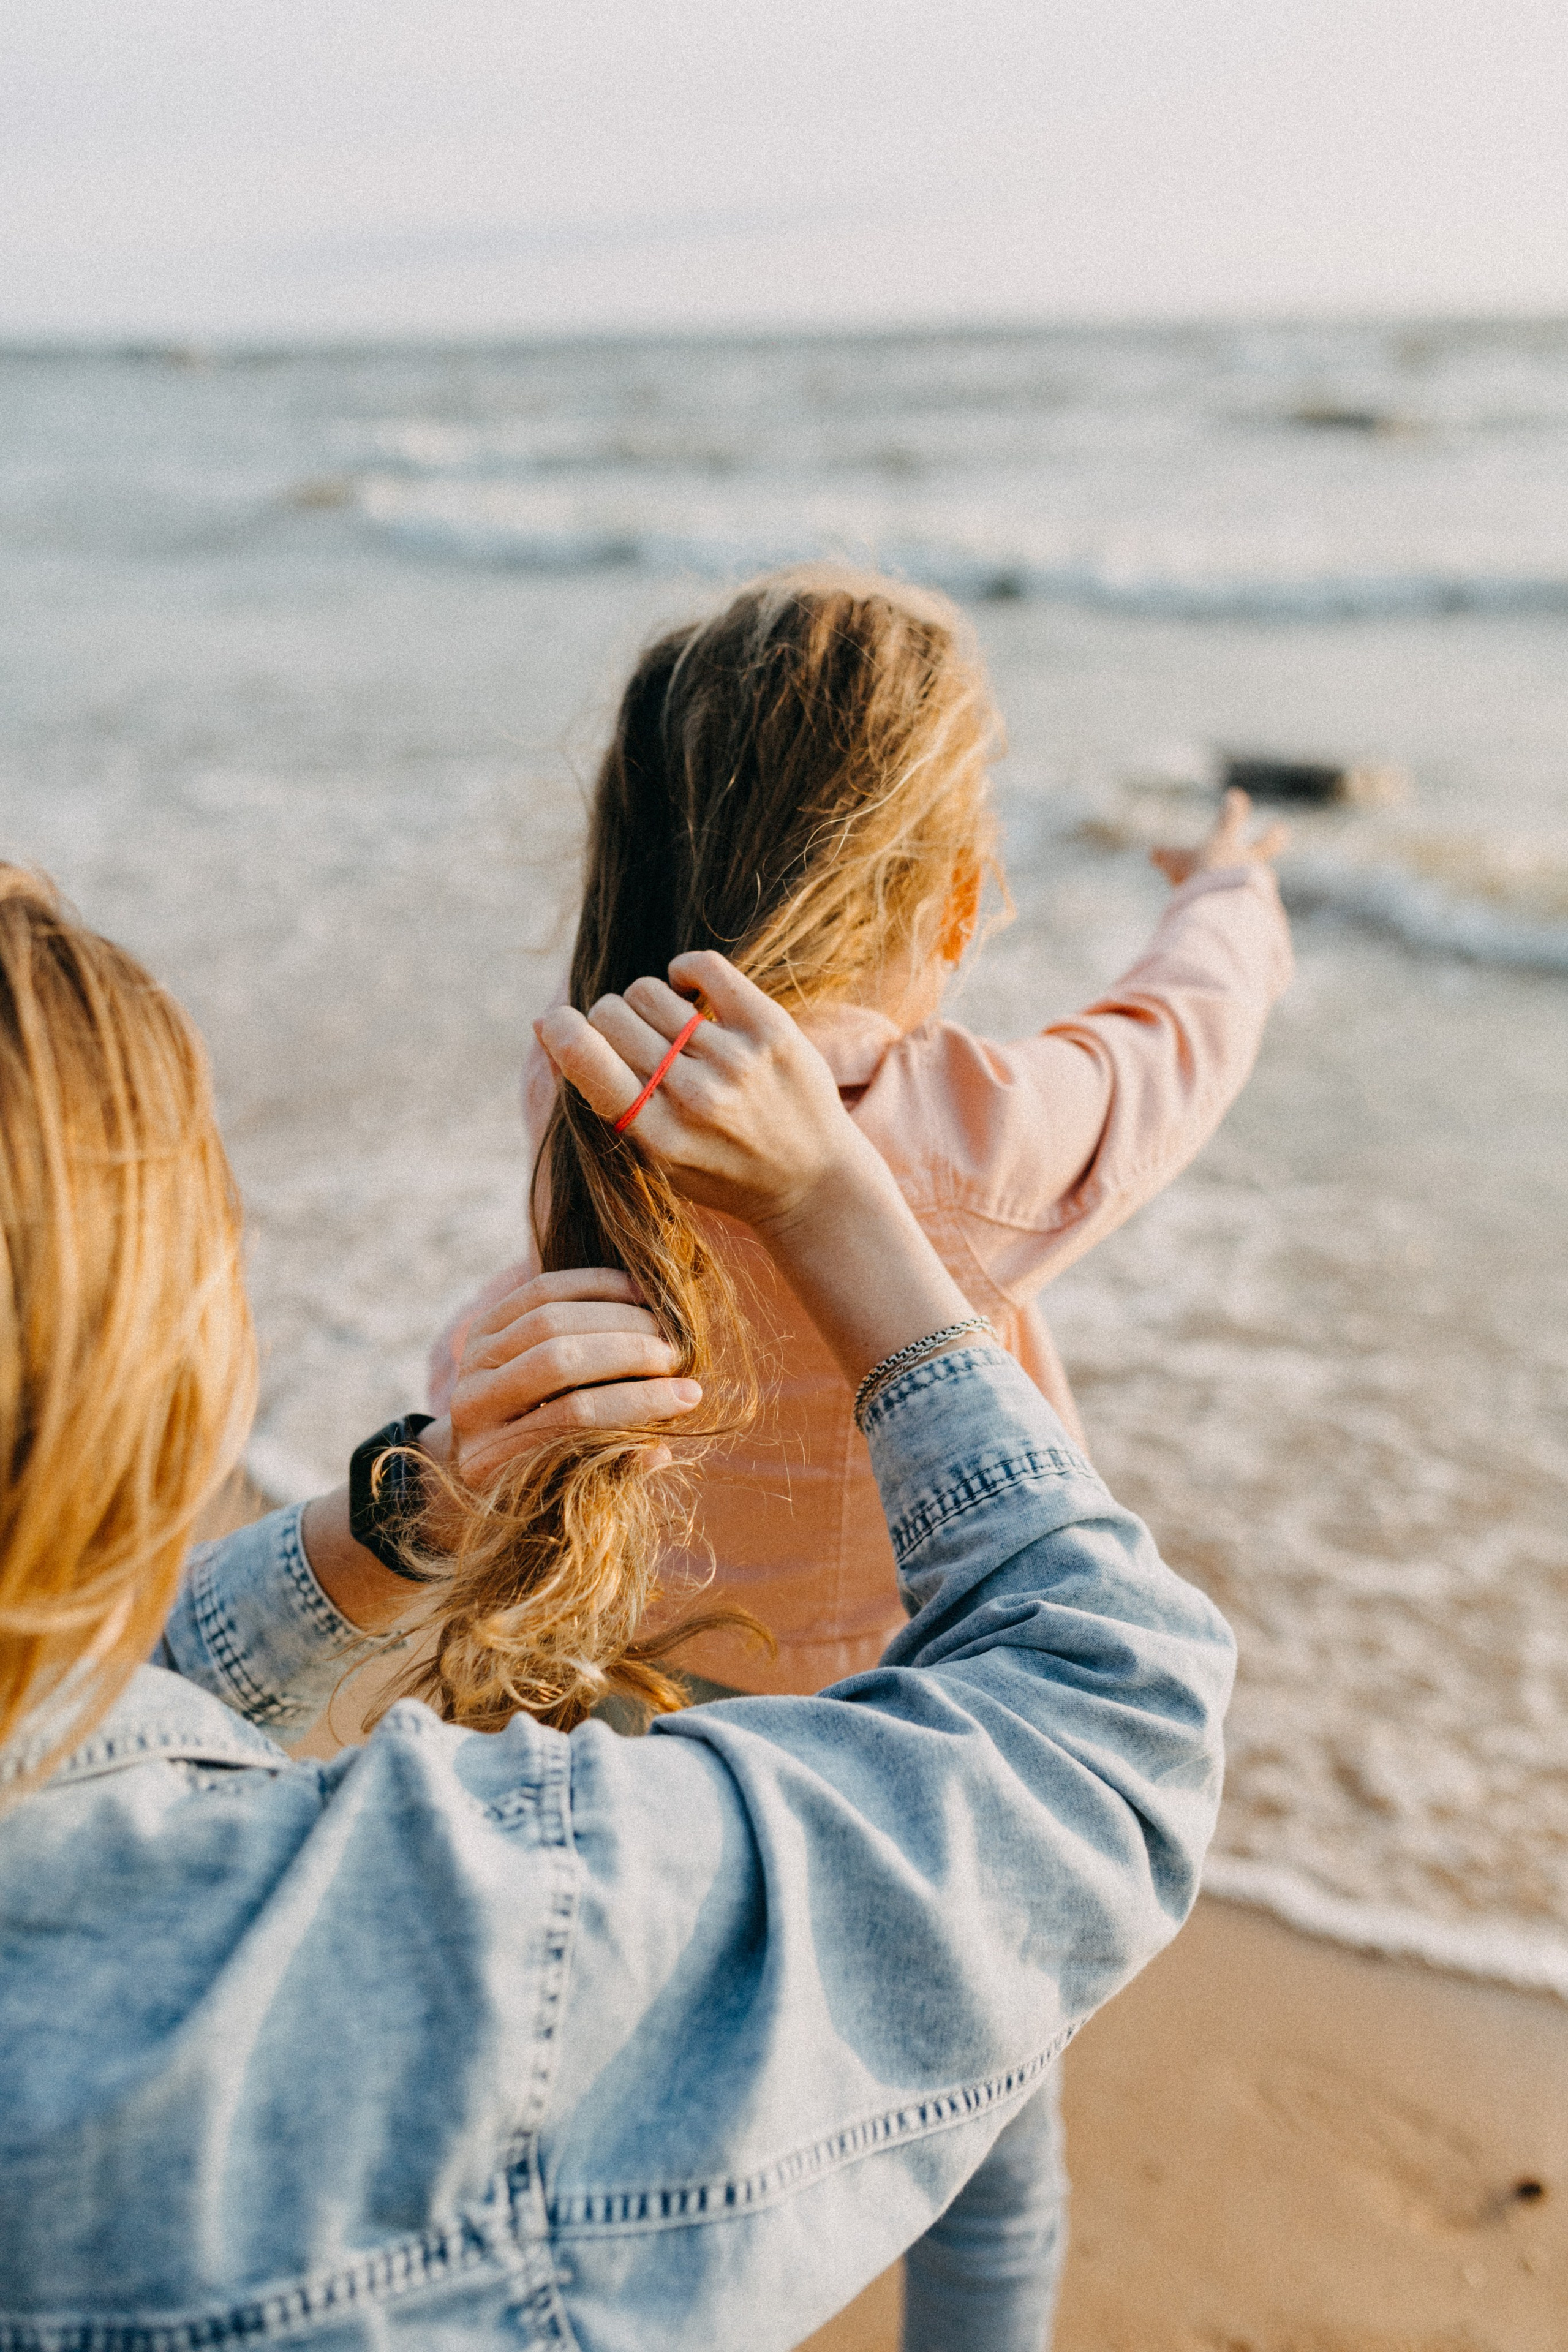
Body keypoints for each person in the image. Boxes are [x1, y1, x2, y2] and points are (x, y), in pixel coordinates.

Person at [0, 864, 1236, 2352]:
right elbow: (1119, 1720)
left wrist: (416, 1511)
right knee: (998, 2190)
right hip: (849, 1746)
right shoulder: (444, 1935)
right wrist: (835, 1205)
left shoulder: (574, 1097)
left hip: (639, 1674)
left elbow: (94, 1740)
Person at [429, 567, 1291, 2347]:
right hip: (926, 1781)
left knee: (648, 2149)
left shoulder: (587, 1097)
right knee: (986, 2184)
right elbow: (1174, 1046)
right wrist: (1233, 893)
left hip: (654, 1761)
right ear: (959, 892)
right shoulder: (975, 1137)